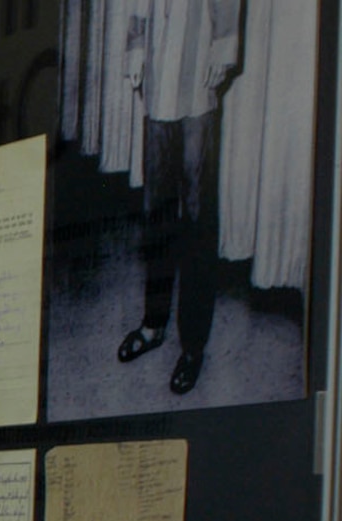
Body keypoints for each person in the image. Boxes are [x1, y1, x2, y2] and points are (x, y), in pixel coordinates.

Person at [116, 0, 243, 395]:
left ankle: (193, 347)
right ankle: (153, 325)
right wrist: (135, 46)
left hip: (195, 86)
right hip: (158, 81)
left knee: (196, 217)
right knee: (157, 213)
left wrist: (222, 49)